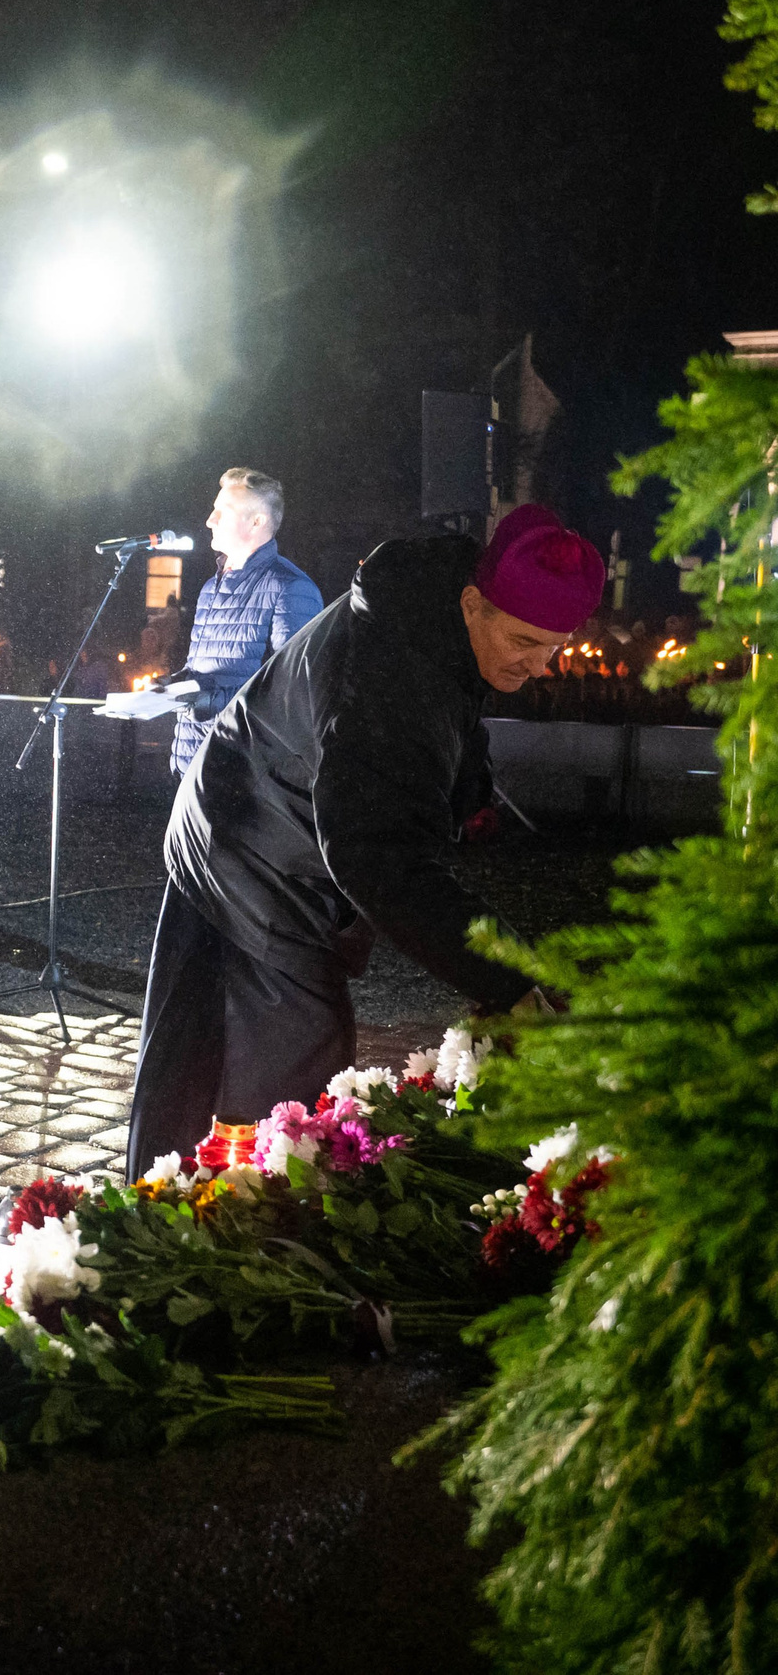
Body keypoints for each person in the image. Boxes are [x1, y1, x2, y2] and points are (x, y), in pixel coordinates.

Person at [123, 504, 606, 1176]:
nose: (540, 665)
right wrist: (509, 978)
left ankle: (182, 1208)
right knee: (296, 1090)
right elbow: (381, 859)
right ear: (474, 603)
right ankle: (219, 1232)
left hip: (251, 824)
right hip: (252, 848)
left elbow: (451, 714)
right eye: (526, 642)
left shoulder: (433, 617)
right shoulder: (393, 674)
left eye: (554, 647)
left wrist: (468, 786)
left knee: (212, 1057)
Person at [152, 468, 324, 774]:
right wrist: (173, 686)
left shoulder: (292, 588)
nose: (210, 520)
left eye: (222, 512)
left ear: (257, 521)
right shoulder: (210, 588)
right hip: (192, 763)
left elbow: (293, 691)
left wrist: (206, 702)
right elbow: (211, 669)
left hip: (243, 771)